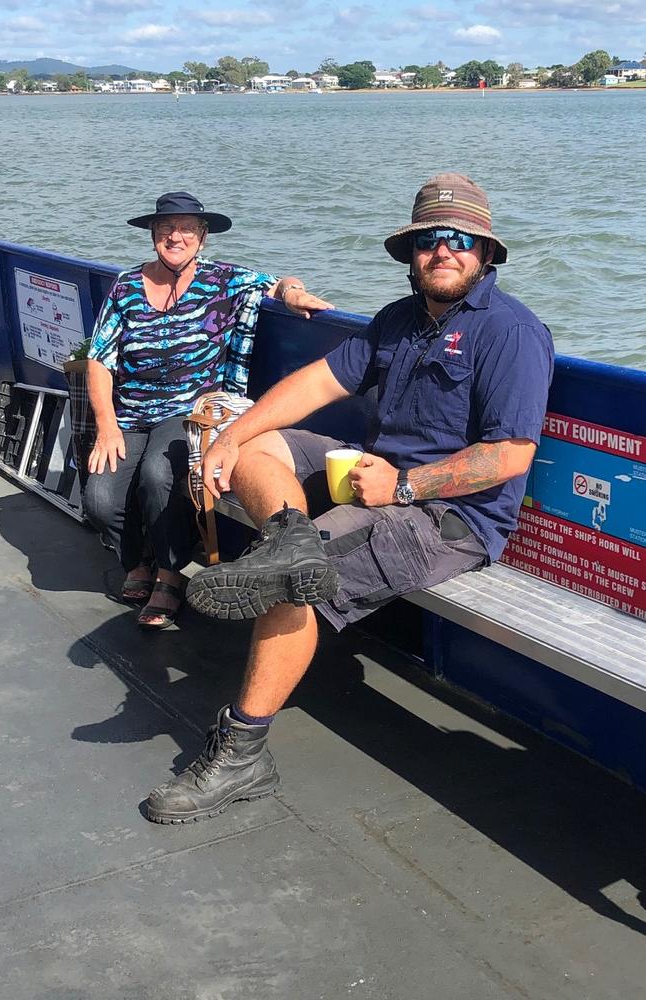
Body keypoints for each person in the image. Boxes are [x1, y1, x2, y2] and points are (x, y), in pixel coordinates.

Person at [145, 173, 554, 823]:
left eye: (459, 239)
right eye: (428, 239)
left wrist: (406, 486)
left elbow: (509, 456)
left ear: (484, 253)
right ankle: (290, 538)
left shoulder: (511, 332)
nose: (442, 250)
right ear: (411, 252)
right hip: (374, 481)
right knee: (262, 447)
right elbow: (315, 382)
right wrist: (231, 438)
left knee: (287, 587)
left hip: (446, 516)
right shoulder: (398, 321)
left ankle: (243, 753)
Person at [83, 191, 332, 629]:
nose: (174, 236)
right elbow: (99, 359)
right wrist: (106, 425)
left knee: (159, 477)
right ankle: (137, 557)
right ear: (153, 236)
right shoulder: (125, 285)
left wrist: (294, 294)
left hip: (188, 412)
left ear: (202, 237)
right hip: (129, 412)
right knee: (100, 499)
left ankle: (169, 573)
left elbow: (277, 282)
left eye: (185, 229)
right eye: (165, 229)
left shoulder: (224, 280)